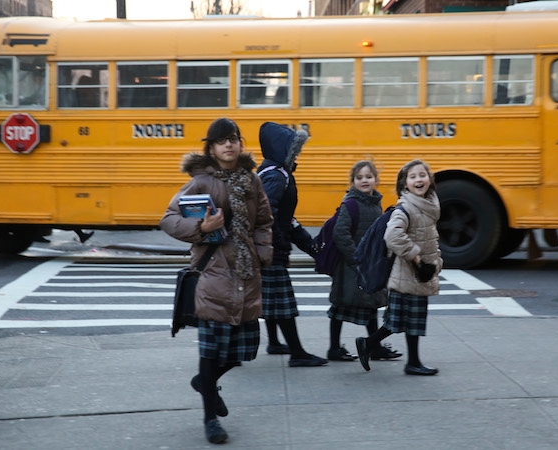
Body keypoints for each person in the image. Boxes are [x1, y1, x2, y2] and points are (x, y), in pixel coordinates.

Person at [160, 118, 273, 444]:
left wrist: (263, 253)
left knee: (241, 352)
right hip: (214, 276)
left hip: (246, 274)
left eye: (233, 139)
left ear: (240, 144)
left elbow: (264, 221)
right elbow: (168, 219)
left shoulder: (252, 181)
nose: (228, 145)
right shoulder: (201, 182)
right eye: (221, 140)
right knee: (211, 354)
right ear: (211, 148)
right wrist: (202, 229)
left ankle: (204, 382)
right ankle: (210, 418)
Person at [355, 159, 443, 375]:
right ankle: (411, 362)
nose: (418, 180)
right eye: (412, 177)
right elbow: (392, 236)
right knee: (405, 321)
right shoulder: (405, 208)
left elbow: (430, 239)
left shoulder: (429, 205)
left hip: (420, 274)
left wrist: (436, 263)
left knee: (399, 321)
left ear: (430, 180)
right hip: (408, 274)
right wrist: (416, 259)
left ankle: (369, 344)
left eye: (422, 175)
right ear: (405, 185)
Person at [257, 121, 328, 367]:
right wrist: (278, 243)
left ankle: (275, 342)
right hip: (271, 249)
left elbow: (287, 219)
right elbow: (270, 214)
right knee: (283, 303)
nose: (297, 153)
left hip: (268, 246)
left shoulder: (270, 171)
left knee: (271, 300)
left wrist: (310, 246)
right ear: (281, 149)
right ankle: (297, 352)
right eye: (293, 149)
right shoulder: (278, 176)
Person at [327, 160, 402, 362]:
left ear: (376, 180)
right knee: (340, 306)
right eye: (359, 178)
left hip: (367, 265)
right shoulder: (351, 203)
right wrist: (356, 259)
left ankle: (373, 346)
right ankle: (334, 348)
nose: (364, 180)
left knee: (370, 305)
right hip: (351, 266)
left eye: (368, 177)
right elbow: (340, 233)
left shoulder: (375, 204)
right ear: (353, 181)